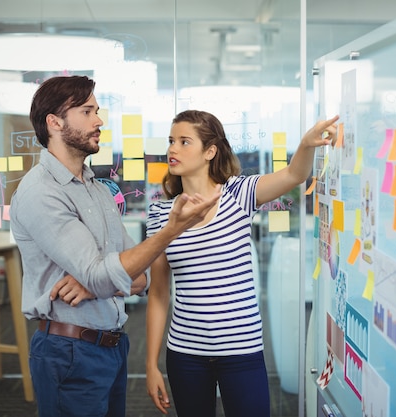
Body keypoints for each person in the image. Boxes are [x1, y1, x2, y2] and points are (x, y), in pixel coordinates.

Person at [9, 75, 221, 417]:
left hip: (110, 347)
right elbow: (110, 274)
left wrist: (95, 284)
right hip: (69, 351)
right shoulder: (41, 193)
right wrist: (171, 231)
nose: (99, 120)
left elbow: (141, 277)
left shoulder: (94, 188)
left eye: (97, 110)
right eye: (87, 111)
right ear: (54, 122)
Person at [145, 109, 339, 417]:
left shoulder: (238, 193)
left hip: (241, 349)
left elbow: (294, 175)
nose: (172, 149)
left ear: (210, 151)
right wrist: (150, 365)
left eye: (184, 141)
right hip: (185, 352)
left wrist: (305, 145)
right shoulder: (159, 214)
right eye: (171, 141)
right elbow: (157, 294)